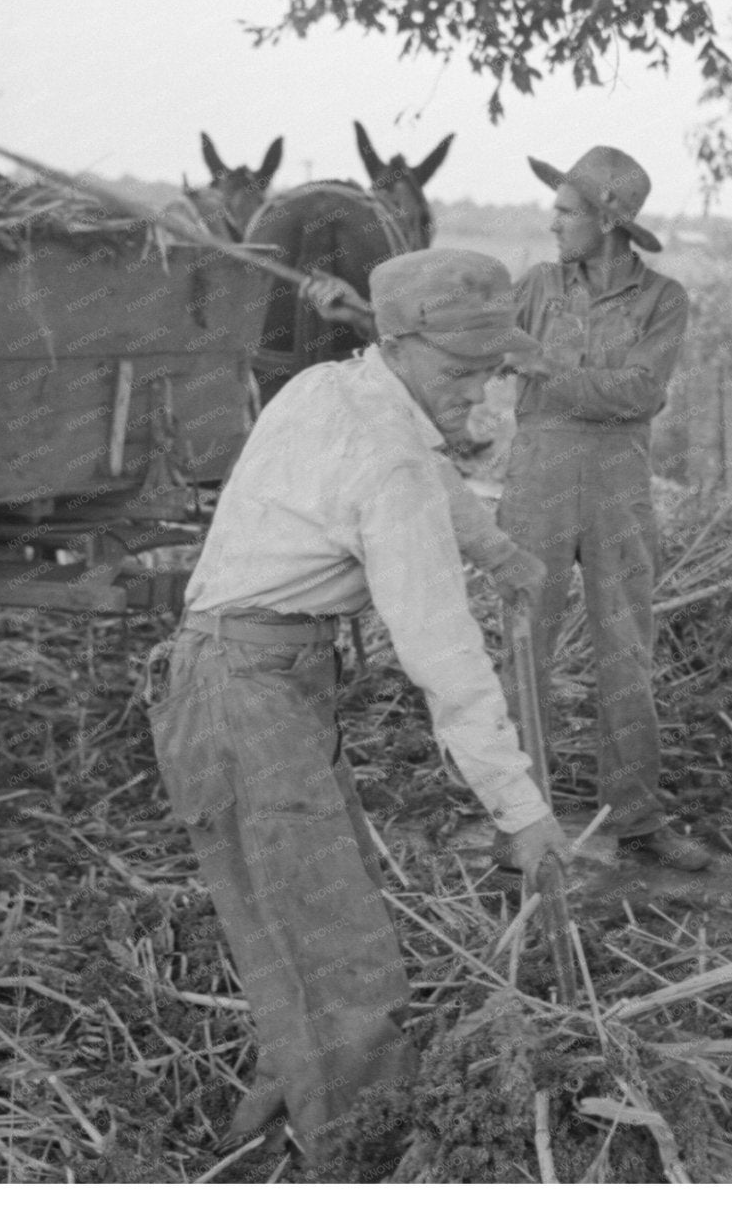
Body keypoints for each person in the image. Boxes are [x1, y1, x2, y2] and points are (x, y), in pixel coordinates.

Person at [147, 248, 571, 1167]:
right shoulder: (388, 459)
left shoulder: (332, 390)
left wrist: (496, 551)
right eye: (460, 370)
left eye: (490, 368)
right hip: (251, 693)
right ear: (399, 341)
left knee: (287, 924)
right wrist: (523, 810)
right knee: (344, 956)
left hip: (232, 677)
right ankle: (361, 1158)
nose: (478, 391)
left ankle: (283, 1118)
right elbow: (443, 655)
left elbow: (429, 469)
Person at [496, 146, 712, 872]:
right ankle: (522, 821)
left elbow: (640, 393)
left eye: (565, 211)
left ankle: (638, 818)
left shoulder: (663, 300)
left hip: (620, 488)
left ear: (608, 222)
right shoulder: (532, 287)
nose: (551, 223)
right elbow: (461, 337)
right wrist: (354, 308)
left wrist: (545, 369)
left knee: (627, 652)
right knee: (527, 646)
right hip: (537, 484)